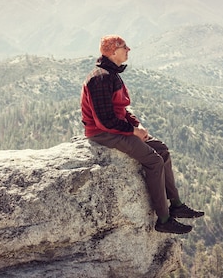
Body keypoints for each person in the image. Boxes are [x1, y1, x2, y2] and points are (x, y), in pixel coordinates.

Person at [80, 35, 204, 234]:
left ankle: (177, 204)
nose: (128, 49)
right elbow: (104, 120)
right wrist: (132, 131)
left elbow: (120, 110)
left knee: (162, 150)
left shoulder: (111, 74)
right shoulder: (100, 78)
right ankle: (163, 219)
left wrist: (137, 125)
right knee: (153, 161)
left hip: (115, 128)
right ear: (112, 52)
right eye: (124, 47)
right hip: (103, 133)